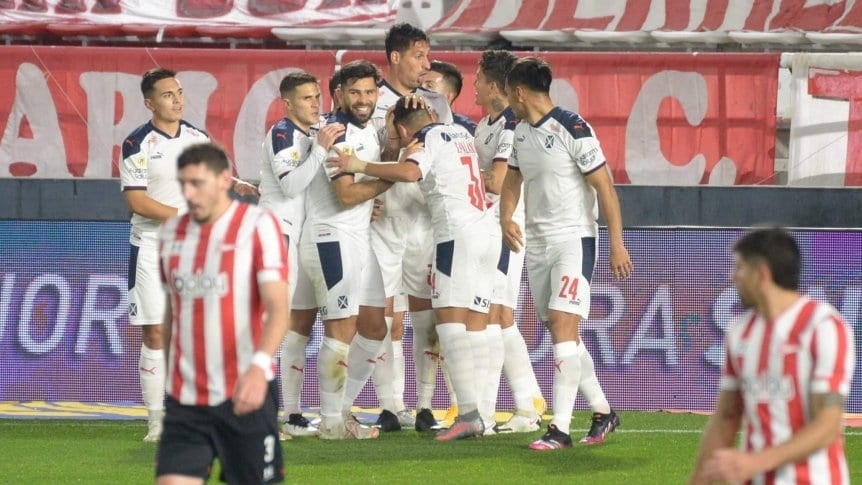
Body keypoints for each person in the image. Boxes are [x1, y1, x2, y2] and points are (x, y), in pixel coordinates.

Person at [330, 97, 498, 442]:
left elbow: (410, 172)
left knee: (449, 324)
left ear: (404, 131)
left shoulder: (428, 137)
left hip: (456, 235)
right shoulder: (459, 131)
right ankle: (483, 413)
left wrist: (358, 163)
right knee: (474, 324)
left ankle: (469, 416)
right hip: (486, 232)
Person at [500, 57, 633, 451]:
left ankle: (559, 428)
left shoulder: (573, 128)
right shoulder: (520, 133)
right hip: (537, 244)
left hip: (574, 239)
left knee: (561, 324)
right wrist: (506, 217)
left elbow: (605, 187)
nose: (508, 101)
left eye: (508, 94)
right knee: (563, 333)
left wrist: (617, 243)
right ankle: (603, 411)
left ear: (519, 92)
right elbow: (512, 181)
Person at [155, 142, 289, 484]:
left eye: (197, 183)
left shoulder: (258, 225)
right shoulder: (170, 234)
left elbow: (278, 307)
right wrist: (171, 376)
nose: (188, 193)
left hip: (246, 393)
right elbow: (172, 313)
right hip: (187, 400)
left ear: (225, 180)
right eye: (183, 184)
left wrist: (259, 367)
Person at [689, 227, 854, 484]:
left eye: (740, 268)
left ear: (762, 274)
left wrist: (755, 462)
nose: (733, 277)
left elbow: (828, 425)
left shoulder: (824, 327)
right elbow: (726, 418)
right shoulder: (740, 332)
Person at [299, 59, 392, 440]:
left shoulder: (370, 130)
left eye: (369, 91)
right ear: (339, 94)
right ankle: (331, 422)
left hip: (358, 238)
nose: (363, 99)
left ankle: (342, 410)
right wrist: (391, 178)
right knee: (340, 330)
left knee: (374, 326)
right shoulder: (336, 132)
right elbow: (347, 194)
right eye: (355, 92)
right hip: (331, 237)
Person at [119, 67, 210, 442]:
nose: (177, 100)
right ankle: (157, 422)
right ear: (149, 103)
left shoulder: (199, 138)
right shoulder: (136, 143)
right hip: (152, 245)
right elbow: (137, 201)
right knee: (156, 332)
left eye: (180, 92)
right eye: (168, 94)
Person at [472, 49, 545, 434]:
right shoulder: (484, 125)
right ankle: (528, 404)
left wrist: (461, 174)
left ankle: (487, 413)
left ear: (495, 86)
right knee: (500, 318)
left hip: (507, 226)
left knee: (495, 315)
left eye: (479, 78)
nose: (473, 84)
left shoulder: (510, 126)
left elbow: (498, 182)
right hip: (488, 227)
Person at [369, 21, 432, 432]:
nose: (426, 64)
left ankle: (424, 406)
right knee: (386, 316)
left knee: (426, 316)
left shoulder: (434, 103)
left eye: (427, 56)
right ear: (395, 57)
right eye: (418, 56)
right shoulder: (369, 101)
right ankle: (391, 406)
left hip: (423, 222)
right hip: (384, 223)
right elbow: (358, 154)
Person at [257, 71, 327, 439]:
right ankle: (260, 420)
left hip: (295, 236)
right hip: (276, 235)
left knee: (286, 328)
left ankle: (291, 415)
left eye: (317, 96)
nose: (315, 103)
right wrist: (322, 150)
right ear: (287, 104)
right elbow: (290, 185)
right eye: (306, 98)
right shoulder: (282, 134)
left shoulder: (310, 134)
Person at [419, 60, 477, 135]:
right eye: (419, 85)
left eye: (429, 86)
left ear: (448, 96)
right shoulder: (407, 122)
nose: (420, 90)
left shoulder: (469, 131)